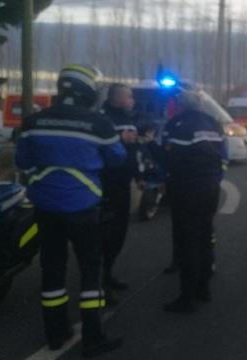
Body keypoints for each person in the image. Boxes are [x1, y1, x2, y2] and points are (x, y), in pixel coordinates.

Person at [15, 64, 125, 357]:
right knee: (90, 270)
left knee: (52, 270)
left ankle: (56, 334)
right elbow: (117, 158)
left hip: (46, 207)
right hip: (83, 208)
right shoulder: (98, 123)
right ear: (88, 91)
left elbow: (23, 162)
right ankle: (93, 338)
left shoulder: (33, 122)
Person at [162, 87, 228, 313]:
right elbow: (222, 155)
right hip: (210, 188)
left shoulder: (176, 125)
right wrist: (217, 177)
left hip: (186, 189)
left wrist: (151, 146)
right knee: (205, 235)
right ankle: (204, 288)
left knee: (188, 241)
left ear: (180, 106)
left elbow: (169, 159)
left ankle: (187, 297)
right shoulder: (214, 123)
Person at [100, 84, 140, 305]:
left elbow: (133, 150)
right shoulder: (103, 118)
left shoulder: (128, 117)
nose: (133, 100)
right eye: (130, 96)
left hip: (123, 182)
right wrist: (119, 138)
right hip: (107, 184)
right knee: (106, 236)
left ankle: (108, 274)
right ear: (118, 98)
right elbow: (98, 145)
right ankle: (101, 283)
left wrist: (139, 175)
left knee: (119, 234)